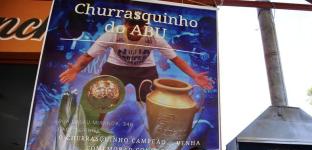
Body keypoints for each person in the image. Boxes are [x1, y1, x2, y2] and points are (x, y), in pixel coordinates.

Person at [59, 12, 213, 102]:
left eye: (140, 28)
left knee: (150, 102)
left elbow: (175, 59)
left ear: (145, 27)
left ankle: (151, 135)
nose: (135, 32)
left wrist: (195, 75)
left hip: (144, 70)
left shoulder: (153, 37)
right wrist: (76, 70)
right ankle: (96, 126)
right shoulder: (113, 33)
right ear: (125, 25)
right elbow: (88, 56)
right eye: (132, 28)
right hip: (116, 67)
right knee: (103, 98)